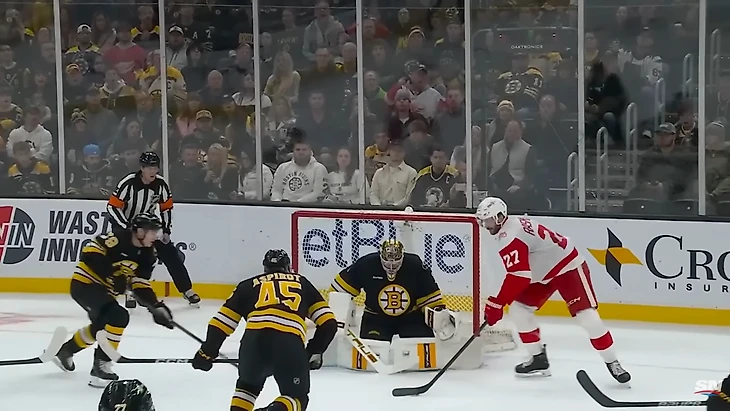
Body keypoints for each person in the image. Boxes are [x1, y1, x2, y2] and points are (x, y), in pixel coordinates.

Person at [475, 197, 630, 383]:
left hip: (567, 268)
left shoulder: (510, 236)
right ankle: (538, 359)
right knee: (519, 310)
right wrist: (499, 303)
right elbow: (522, 273)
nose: (486, 226)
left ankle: (612, 362)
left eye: (489, 220)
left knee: (587, 317)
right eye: (483, 221)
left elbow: (519, 276)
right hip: (542, 274)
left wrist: (497, 303)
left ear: (500, 217)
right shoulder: (509, 227)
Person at [192, 249, 337, 411]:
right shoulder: (302, 283)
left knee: (247, 388)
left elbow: (221, 324)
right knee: (297, 398)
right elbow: (329, 323)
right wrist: (312, 351)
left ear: (265, 268)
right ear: (288, 267)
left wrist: (207, 353)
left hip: (252, 343)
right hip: (288, 343)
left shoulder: (247, 285)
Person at [52, 213, 175, 388]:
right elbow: (89, 253)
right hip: (85, 285)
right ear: (140, 231)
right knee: (118, 316)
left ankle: (66, 351)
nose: (156, 236)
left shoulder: (148, 255)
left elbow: (140, 284)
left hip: (105, 292)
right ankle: (101, 365)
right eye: (152, 231)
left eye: (157, 231)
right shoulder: (118, 239)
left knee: (102, 327)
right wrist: (112, 273)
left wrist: (155, 306)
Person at [106, 151, 201, 308]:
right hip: (125, 224)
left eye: (155, 167)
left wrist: (166, 230)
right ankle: (129, 291)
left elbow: (166, 208)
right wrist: (127, 228)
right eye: (149, 167)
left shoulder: (160, 184)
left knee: (169, 252)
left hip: (147, 225)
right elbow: (112, 207)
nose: (153, 171)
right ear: (142, 168)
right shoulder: (128, 183)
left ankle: (187, 289)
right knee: (127, 257)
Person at [330, 239, 458, 341]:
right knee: (372, 350)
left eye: (395, 262)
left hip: (411, 318)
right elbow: (339, 289)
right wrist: (338, 315)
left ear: (402, 257)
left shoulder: (415, 265)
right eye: (387, 262)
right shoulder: (367, 264)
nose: (391, 266)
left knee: (421, 348)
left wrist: (439, 316)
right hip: (375, 318)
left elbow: (430, 296)